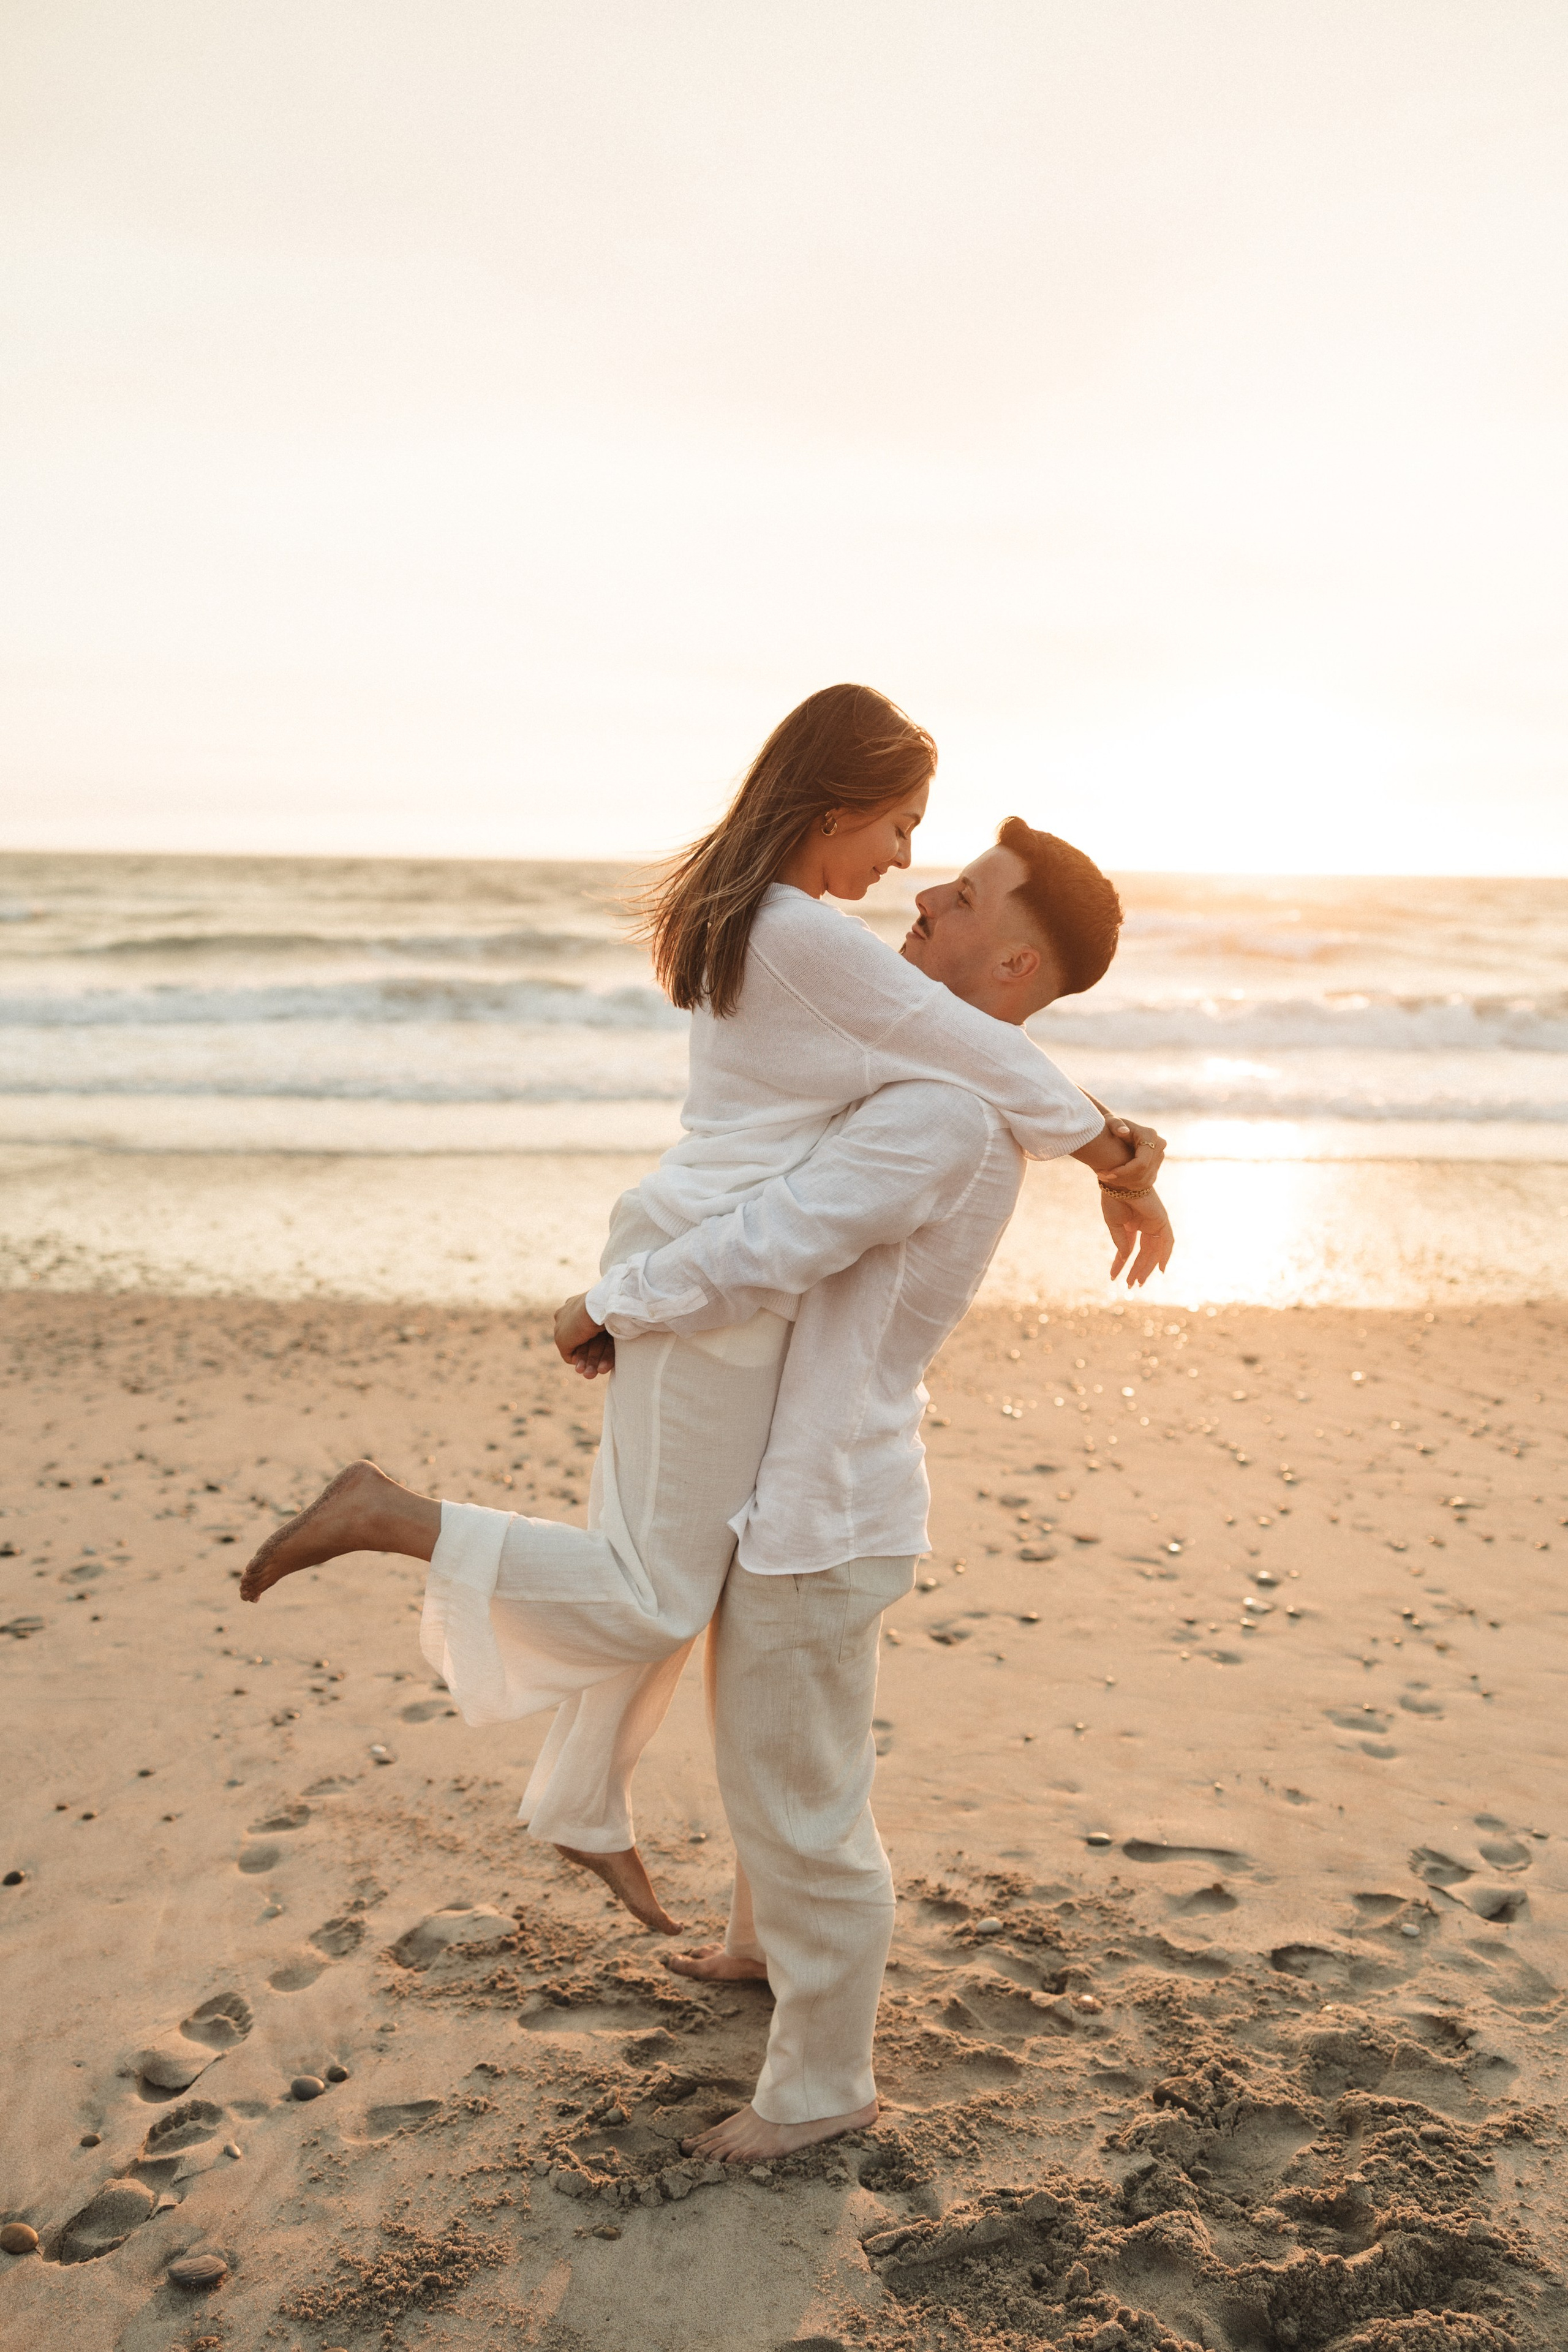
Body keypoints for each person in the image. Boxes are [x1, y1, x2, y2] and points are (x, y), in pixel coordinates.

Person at [238, 684, 1165, 1936]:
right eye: (898, 825)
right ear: (834, 805)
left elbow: (958, 1055)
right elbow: (986, 1056)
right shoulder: (803, 935)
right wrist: (1117, 1157)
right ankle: (385, 1515)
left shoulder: (766, 920)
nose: (904, 864)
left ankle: (583, 1810)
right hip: (710, 1272)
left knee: (666, 1569)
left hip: (698, 1253)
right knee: (655, 1591)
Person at [549, 820, 1172, 2160]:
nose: (924, 894)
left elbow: (780, 1241)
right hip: (809, 1489)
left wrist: (616, 1298)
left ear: (1010, 960)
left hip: (825, 1504)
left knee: (803, 1798)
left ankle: (822, 2087)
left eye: (962, 896)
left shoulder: (939, 1111)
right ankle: (756, 1949)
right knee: (769, 1754)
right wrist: (1119, 1149)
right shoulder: (936, 1087)